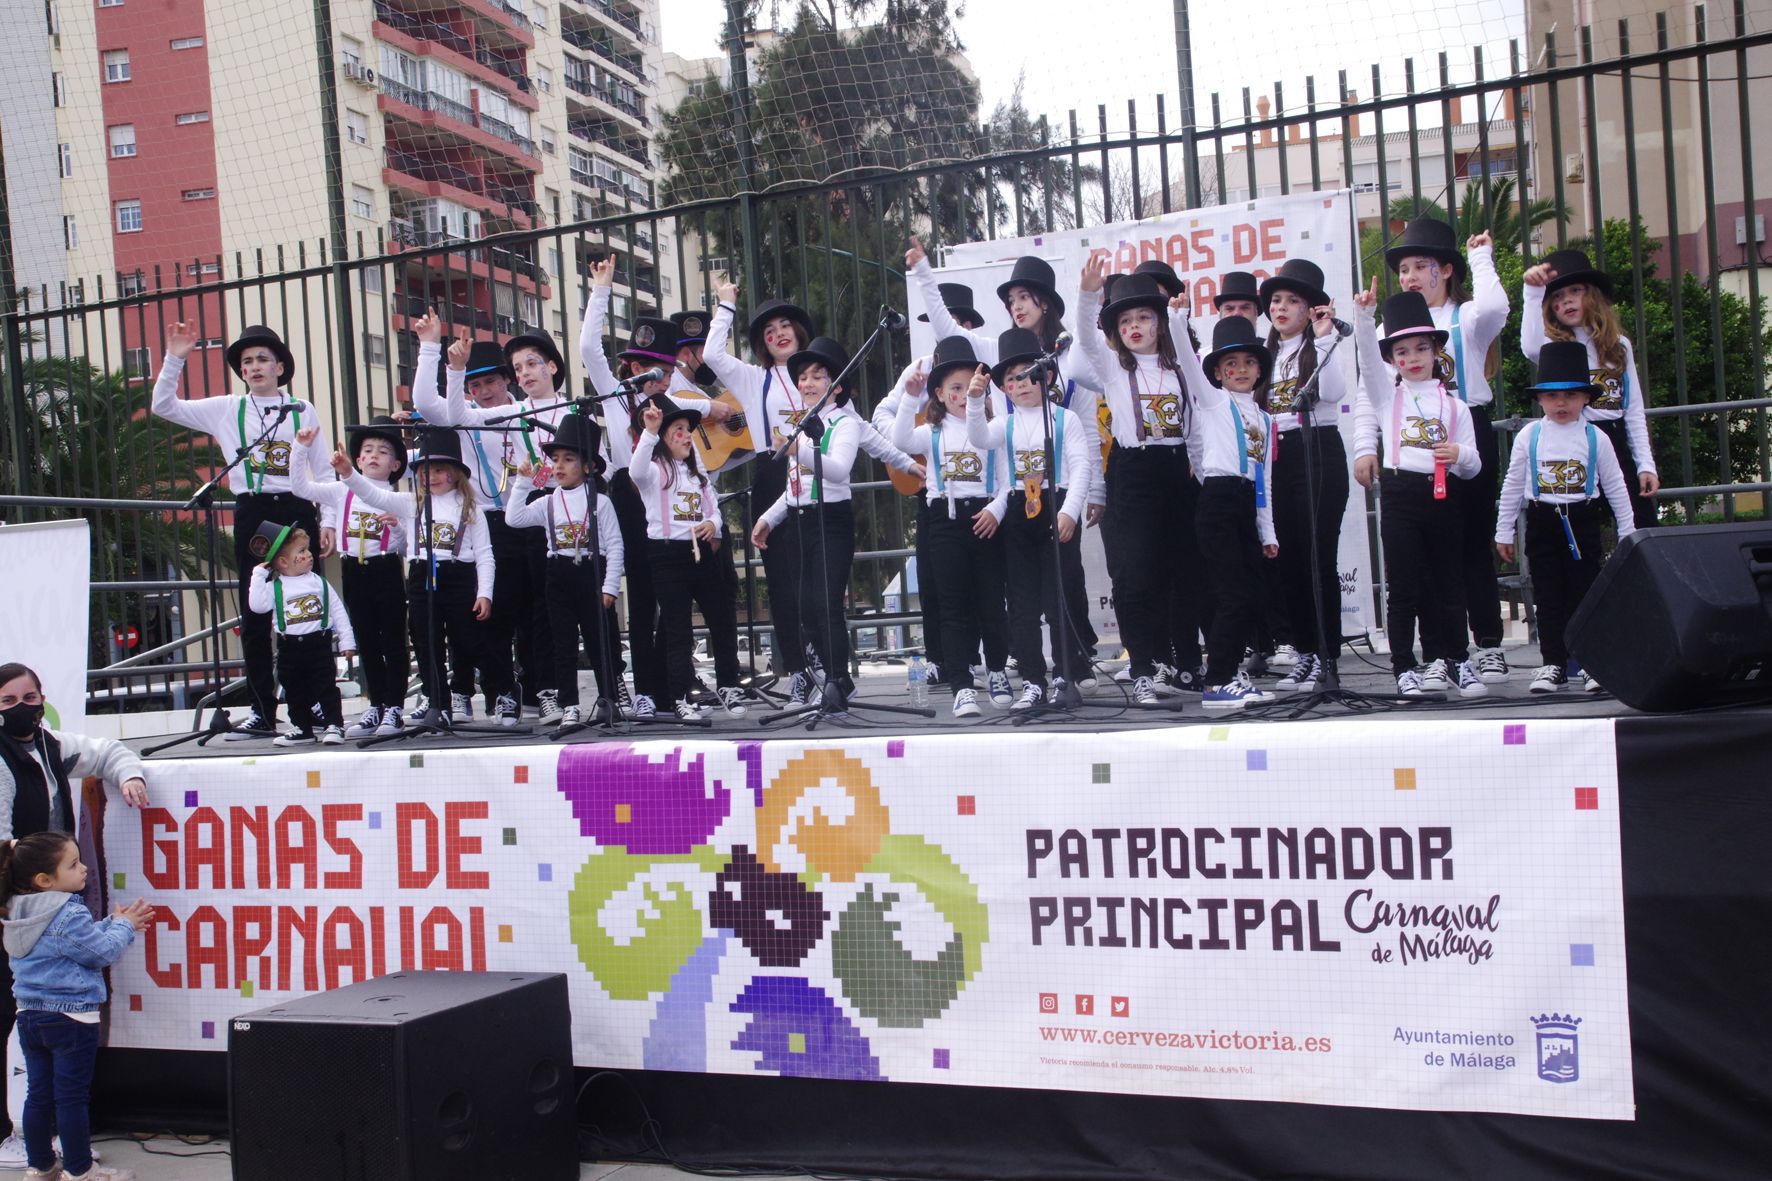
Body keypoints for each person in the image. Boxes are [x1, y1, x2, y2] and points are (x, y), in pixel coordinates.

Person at [906, 238, 1105, 681]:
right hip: (1010, 488)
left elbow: (1087, 430)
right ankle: (1028, 665)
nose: (1016, 306)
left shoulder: (1071, 356)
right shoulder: (999, 349)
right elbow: (949, 330)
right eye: (1011, 299)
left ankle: (1075, 658)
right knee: (1019, 588)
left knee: (1066, 581)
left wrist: (1092, 491)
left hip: (1059, 487)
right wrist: (923, 271)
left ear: (1047, 303)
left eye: (1024, 297)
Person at [707, 287, 918, 689]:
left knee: (820, 588)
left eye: (786, 325)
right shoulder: (755, 380)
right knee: (786, 591)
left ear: (801, 332)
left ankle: (829, 667)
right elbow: (714, 357)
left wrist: (903, 462)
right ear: (763, 344)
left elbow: (864, 433)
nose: (779, 334)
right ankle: (800, 672)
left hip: (823, 484)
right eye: (769, 331)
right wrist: (726, 305)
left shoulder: (828, 382)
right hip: (777, 482)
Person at [0, 664, 149, 1174]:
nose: (22, 706)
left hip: (26, 903)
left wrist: (128, 773)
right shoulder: (60, 910)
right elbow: (94, 950)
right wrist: (123, 923)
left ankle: (42, 1155)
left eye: (31, 695)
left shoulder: (48, 744)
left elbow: (106, 751)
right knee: (57, 1084)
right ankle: (65, 1160)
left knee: (38, 1076)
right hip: (20, 901)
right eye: (7, 700)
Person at [150, 323, 330, 738]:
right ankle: (263, 710)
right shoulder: (227, 408)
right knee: (255, 613)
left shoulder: (302, 408)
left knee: (306, 605)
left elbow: (322, 469)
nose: (254, 367)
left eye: (263, 359)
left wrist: (330, 523)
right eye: (247, 361)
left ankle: (316, 703)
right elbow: (163, 406)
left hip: (298, 505)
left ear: (280, 366)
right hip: (253, 508)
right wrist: (175, 357)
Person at [1388, 218, 1513, 683]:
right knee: (1427, 553)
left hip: (1467, 429)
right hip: (1420, 448)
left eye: (1421, 266)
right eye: (1404, 269)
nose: (1410, 277)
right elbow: (1375, 391)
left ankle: (1488, 645)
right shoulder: (1397, 324)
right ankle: (1440, 651)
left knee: (1471, 544)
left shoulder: (1466, 317)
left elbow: (1498, 308)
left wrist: (1481, 256)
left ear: (1445, 270)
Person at [410, 315, 549, 726]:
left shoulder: (528, 412)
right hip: (487, 520)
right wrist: (435, 351)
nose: (483, 392)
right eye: (474, 385)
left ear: (507, 380)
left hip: (530, 515)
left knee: (536, 610)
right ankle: (490, 691)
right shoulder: (466, 414)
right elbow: (427, 404)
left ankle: (539, 688)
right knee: (492, 611)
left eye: (489, 382)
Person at [1076, 260, 1203, 705]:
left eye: (1144, 317)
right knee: (1135, 575)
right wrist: (1089, 295)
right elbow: (1086, 343)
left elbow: (1200, 421)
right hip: (1132, 470)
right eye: (1126, 319)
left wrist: (1200, 470)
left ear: (1159, 322)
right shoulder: (1113, 367)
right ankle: (1144, 668)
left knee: (1184, 574)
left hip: (1178, 470)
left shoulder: (1182, 365)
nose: (1135, 326)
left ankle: (1188, 664)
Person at [1352, 286, 1484, 696]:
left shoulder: (1456, 406)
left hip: (1443, 497)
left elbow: (1474, 465)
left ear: (1435, 353)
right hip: (1400, 495)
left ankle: (1454, 659)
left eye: (1421, 349)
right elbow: (1368, 363)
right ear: (1392, 358)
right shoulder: (1386, 396)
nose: (1412, 359)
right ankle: (1403, 666)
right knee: (1404, 587)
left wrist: (1458, 453)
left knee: (1449, 583)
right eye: (1402, 352)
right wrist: (1363, 315)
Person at [1, 831, 151, 1181]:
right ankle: (81, 1170)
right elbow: (100, 952)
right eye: (73, 864)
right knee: (71, 1098)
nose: (84, 869)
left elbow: (71, 945)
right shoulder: (67, 911)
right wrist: (125, 926)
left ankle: (39, 1166)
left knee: (38, 1095)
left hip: (29, 1016)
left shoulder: (17, 909)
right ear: (44, 880)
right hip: (71, 1019)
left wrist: (114, 923)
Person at [1494, 341, 1637, 693]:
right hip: (1544, 522)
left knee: (1585, 594)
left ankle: (1590, 664)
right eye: (1552, 396)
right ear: (1540, 399)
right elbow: (1512, 484)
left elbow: (1617, 486)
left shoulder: (1596, 437)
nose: (1561, 404)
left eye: (1571, 395)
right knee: (1548, 596)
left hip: (1583, 521)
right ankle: (1552, 664)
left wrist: (1628, 530)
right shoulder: (1530, 435)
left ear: (1586, 398)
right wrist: (1504, 531)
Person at [873, 280, 992, 693]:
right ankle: (943, 660)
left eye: (960, 321)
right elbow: (882, 416)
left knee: (983, 583)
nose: (952, 327)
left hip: (981, 488)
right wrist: (915, 454)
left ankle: (980, 661)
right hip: (934, 486)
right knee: (935, 575)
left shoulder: (982, 366)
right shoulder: (921, 368)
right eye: (946, 320)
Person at [964, 329, 1093, 710]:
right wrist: (974, 401)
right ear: (1002, 388)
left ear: (1046, 375)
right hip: (1021, 510)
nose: (1020, 384)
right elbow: (979, 439)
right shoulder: (1004, 425)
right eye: (1011, 379)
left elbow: (1082, 465)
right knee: (1021, 603)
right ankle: (1033, 681)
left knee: (1059, 599)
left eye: (1027, 374)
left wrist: (1071, 511)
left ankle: (1064, 676)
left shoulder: (1064, 419)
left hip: (1058, 505)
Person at [333, 429, 493, 728]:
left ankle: (499, 690)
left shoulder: (470, 508)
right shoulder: (410, 503)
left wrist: (485, 593)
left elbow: (485, 554)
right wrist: (348, 474)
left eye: (439, 470)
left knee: (467, 639)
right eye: (424, 470)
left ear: (455, 474)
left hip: (458, 575)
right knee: (425, 641)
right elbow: (373, 494)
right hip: (422, 575)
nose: (430, 476)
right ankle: (438, 703)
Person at [891, 337, 1012, 718]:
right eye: (954, 389)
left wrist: (996, 508)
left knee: (991, 602)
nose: (961, 395)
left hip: (985, 520)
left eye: (968, 387)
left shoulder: (994, 430)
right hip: (944, 520)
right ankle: (962, 683)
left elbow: (1008, 481)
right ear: (940, 395)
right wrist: (909, 398)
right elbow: (899, 440)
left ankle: (996, 669)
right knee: (952, 605)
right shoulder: (932, 433)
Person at [749, 338, 872, 706]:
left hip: (831, 521)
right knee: (803, 603)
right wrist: (768, 519)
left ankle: (837, 677)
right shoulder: (803, 425)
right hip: (799, 521)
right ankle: (827, 674)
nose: (807, 383)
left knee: (826, 601)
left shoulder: (844, 424)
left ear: (836, 385)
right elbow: (794, 490)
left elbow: (837, 471)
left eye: (818, 376)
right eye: (803, 377)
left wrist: (796, 449)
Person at [1176, 312, 1280, 711]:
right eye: (1231, 364)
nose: (1240, 370)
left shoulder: (1265, 420)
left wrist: (1267, 532)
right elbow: (1186, 360)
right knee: (1232, 593)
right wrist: (1175, 319)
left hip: (1246, 503)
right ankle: (1217, 680)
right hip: (1217, 501)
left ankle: (1230, 668)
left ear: (1259, 371)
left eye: (1249, 363)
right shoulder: (1214, 402)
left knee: (1252, 594)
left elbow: (1264, 481)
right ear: (1217, 373)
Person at [1261, 259, 1352, 694]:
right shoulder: (1267, 354)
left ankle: (1326, 654)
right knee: (1289, 561)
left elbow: (1333, 391)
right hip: (1277, 459)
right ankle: (1303, 651)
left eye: (1292, 300)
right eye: (1276, 300)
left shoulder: (1323, 344)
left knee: (1318, 558)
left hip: (1317, 451)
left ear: (1311, 307)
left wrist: (1324, 334)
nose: (1281, 307)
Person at [1521, 248, 1660, 530]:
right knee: (1582, 528)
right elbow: (1529, 345)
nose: (1567, 300)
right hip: (1573, 441)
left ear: (1593, 295)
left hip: (1616, 440)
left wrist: (1645, 464)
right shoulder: (1553, 347)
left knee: (1639, 523)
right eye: (1557, 296)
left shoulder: (1619, 345)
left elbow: (1632, 408)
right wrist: (1532, 292)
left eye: (1575, 290)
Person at [504, 413, 624, 726]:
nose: (559, 466)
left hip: (592, 573)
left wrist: (610, 587)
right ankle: (569, 703)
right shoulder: (548, 502)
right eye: (555, 459)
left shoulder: (601, 502)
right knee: (563, 644)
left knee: (600, 642)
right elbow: (513, 519)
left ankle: (608, 699)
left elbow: (614, 546)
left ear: (588, 466)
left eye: (568, 459)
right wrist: (522, 483)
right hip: (558, 575)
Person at [292, 420, 409, 737]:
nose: (374, 456)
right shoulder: (341, 490)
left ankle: (395, 707)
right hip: (353, 570)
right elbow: (301, 488)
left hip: (385, 568)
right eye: (367, 450)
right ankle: (377, 704)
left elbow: (404, 547)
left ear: (395, 464)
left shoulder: (396, 498)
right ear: (357, 459)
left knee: (394, 641)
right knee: (367, 639)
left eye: (383, 452)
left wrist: (396, 528)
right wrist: (300, 448)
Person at [631, 398, 724, 721]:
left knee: (720, 614)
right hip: (667, 553)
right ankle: (678, 696)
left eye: (688, 430)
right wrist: (651, 432)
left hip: (697, 552)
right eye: (678, 431)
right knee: (677, 627)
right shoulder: (655, 471)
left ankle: (728, 685)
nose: (686, 436)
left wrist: (713, 524)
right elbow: (635, 470)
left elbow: (714, 509)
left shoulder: (696, 475)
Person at [245, 524, 356, 746]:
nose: (309, 555)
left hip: (318, 643)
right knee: (294, 690)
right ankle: (302, 727)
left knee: (325, 686)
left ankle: (334, 723)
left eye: (307, 549)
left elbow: (338, 611)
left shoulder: (318, 582)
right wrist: (258, 573)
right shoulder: (275, 586)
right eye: (301, 552)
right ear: (283, 562)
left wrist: (347, 640)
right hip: (289, 647)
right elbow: (257, 606)